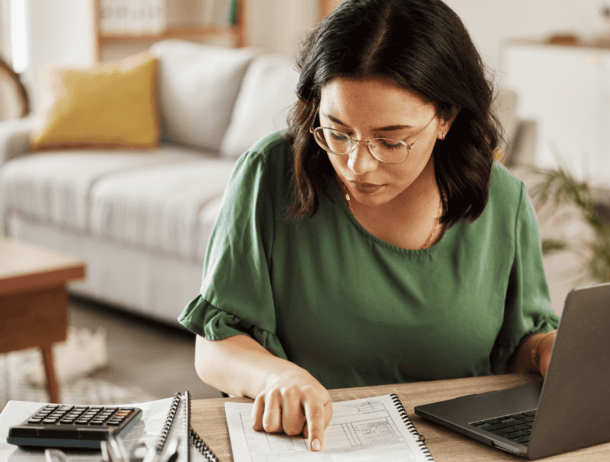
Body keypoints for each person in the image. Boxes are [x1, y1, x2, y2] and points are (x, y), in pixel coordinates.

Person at [178, 0, 559, 453]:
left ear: (445, 118)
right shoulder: (270, 173)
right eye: (337, 132)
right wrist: (276, 376)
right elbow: (216, 345)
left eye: (391, 140)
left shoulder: (504, 201)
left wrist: (548, 350)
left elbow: (519, 349)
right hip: (311, 447)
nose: (357, 165)